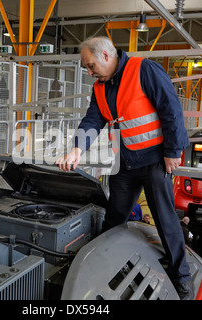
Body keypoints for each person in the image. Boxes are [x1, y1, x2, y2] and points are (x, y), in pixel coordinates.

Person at [55, 36, 193, 299]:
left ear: (106, 56)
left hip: (155, 160)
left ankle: (182, 278)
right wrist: (76, 149)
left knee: (165, 219)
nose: (89, 72)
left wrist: (174, 151)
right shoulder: (100, 87)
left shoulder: (144, 70)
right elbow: (93, 120)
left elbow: (171, 109)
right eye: (86, 67)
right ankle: (111, 267)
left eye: (91, 65)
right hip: (125, 164)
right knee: (114, 218)